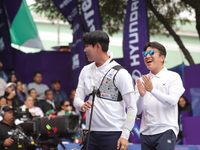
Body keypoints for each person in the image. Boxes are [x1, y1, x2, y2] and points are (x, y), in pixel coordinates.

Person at [74, 30, 137, 150]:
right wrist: (82, 105)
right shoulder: (85, 70)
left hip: (113, 134)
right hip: (90, 134)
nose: (84, 50)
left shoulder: (121, 73)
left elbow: (132, 107)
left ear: (98, 46)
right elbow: (77, 98)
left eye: (87, 46)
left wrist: (125, 135)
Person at [136, 41, 185, 150]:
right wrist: (142, 96)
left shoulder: (173, 76)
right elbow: (138, 111)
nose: (147, 56)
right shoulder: (141, 80)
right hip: (146, 132)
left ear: (162, 57)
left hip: (166, 130)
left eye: (152, 53)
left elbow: (172, 102)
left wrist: (152, 90)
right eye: (145, 54)